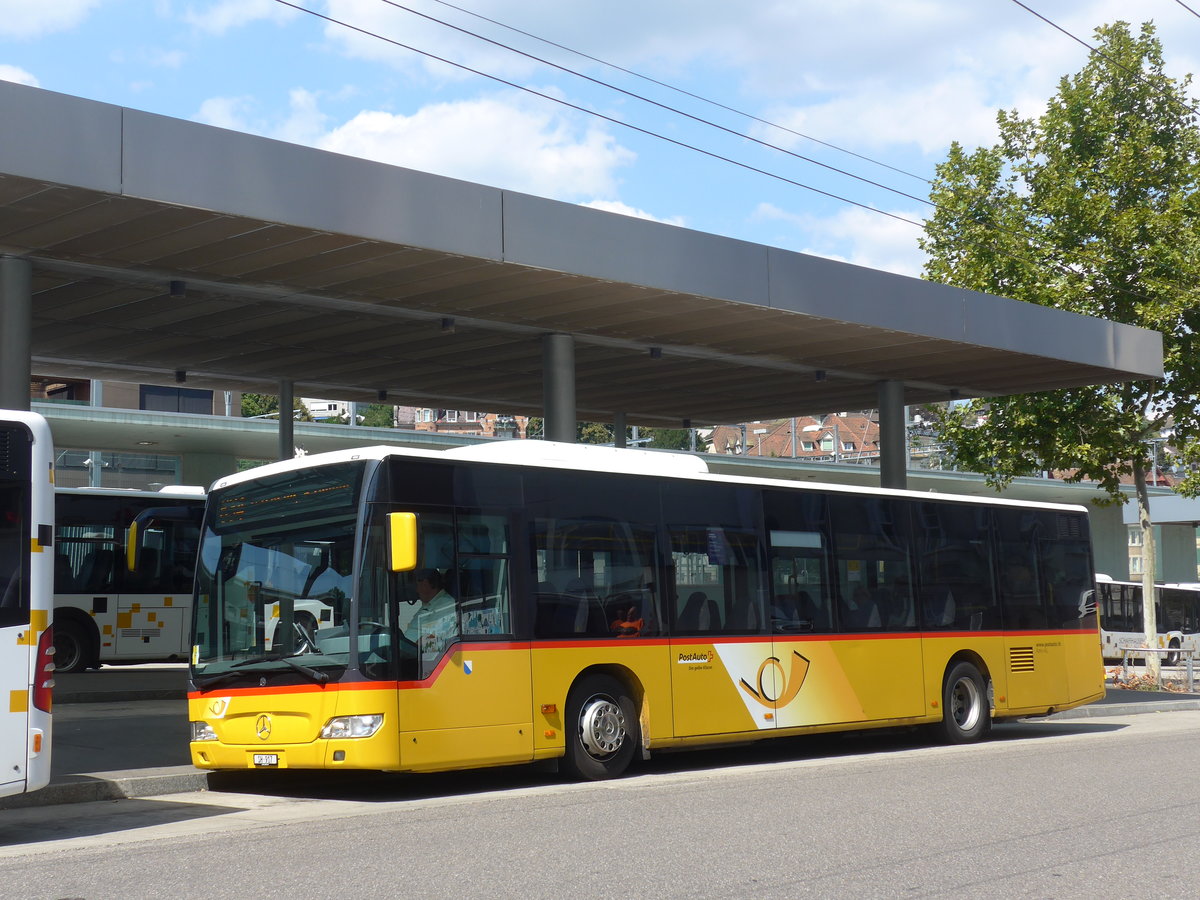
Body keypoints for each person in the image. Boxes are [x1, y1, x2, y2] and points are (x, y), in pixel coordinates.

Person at [405, 568, 458, 663]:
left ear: (425, 584)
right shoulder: (430, 603)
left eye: (417, 584)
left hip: (420, 660)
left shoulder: (446, 605)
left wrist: (408, 653)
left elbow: (433, 637)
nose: (416, 590)